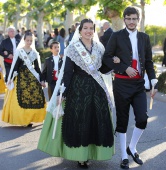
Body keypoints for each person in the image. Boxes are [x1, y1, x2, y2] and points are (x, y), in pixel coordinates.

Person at [38, 19, 118, 168]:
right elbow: (67, 73)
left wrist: (114, 62)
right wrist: (62, 92)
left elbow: (102, 69)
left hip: (96, 89)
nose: (88, 31)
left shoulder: (99, 48)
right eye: (85, 28)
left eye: (91, 28)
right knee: (81, 121)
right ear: (80, 31)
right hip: (78, 89)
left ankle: (94, 152)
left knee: (96, 120)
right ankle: (81, 156)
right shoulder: (73, 48)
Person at [103, 6, 157, 169]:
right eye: (129, 18)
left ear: (138, 20)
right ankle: (124, 156)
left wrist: (153, 82)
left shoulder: (144, 37)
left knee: (142, 119)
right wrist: (123, 67)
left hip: (139, 84)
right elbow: (107, 57)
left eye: (134, 19)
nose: (132, 21)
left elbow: (148, 62)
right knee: (122, 121)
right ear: (125, 20)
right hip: (121, 83)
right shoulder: (116, 36)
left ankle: (132, 147)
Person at [1, 31, 46, 127]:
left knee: (34, 98)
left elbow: (37, 68)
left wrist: (41, 79)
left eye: (31, 40)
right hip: (21, 77)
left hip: (32, 77)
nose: (29, 42)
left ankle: (31, 118)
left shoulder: (35, 53)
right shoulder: (19, 51)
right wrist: (11, 78)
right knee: (20, 98)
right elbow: (15, 66)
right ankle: (23, 119)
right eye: (27, 40)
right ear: (24, 40)